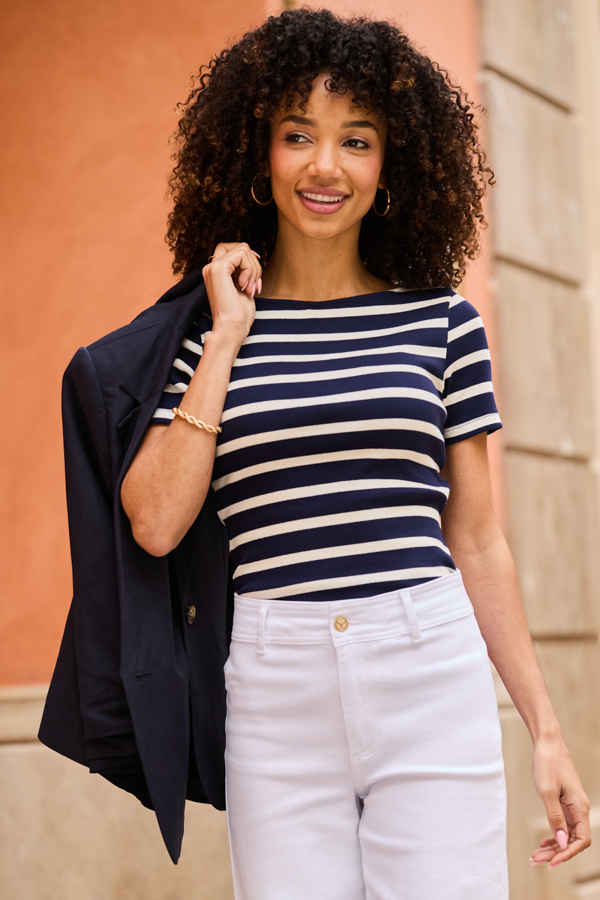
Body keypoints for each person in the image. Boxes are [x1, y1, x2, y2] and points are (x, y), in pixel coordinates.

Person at [46, 7, 590, 898]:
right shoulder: (208, 336)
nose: (326, 166)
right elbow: (152, 521)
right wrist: (224, 338)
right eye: (299, 134)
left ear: (394, 162)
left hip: (428, 664)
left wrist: (548, 730)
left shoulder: (444, 323)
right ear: (259, 152)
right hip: (274, 677)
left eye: (358, 140)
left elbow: (480, 542)